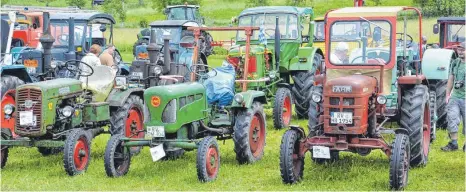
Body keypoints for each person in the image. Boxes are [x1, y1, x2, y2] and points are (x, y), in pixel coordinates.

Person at [441, 42, 465, 152]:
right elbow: (451, 79)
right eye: (459, 50)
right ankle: (453, 143)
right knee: (452, 118)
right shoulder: (455, 63)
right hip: (455, 97)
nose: (460, 52)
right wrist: (447, 94)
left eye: (463, 50)